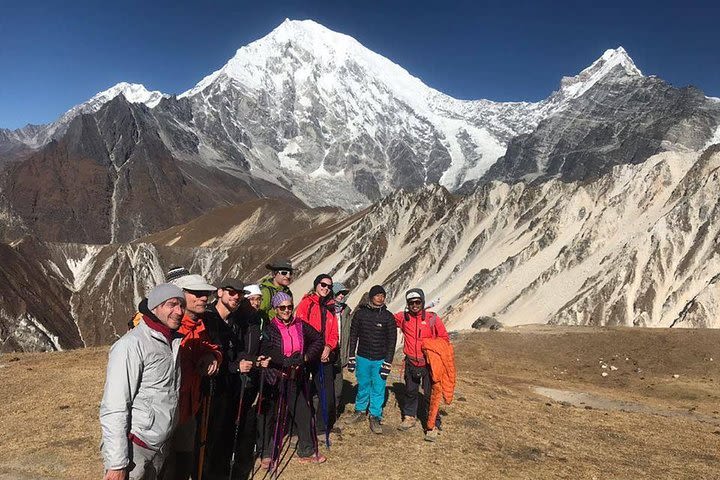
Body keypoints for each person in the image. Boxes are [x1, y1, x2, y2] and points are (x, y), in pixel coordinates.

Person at [100, 284, 185, 480]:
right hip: (135, 448)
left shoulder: (171, 342)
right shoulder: (131, 345)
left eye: (181, 305)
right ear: (155, 307)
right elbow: (114, 406)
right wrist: (117, 463)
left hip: (161, 444)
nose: (179, 311)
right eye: (172, 304)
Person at [202, 279, 266, 479]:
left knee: (223, 439)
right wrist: (236, 366)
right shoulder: (208, 320)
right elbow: (209, 362)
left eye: (239, 293)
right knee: (209, 442)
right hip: (209, 393)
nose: (236, 296)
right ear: (219, 292)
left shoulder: (234, 322)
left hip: (228, 390)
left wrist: (253, 361)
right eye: (231, 292)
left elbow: (237, 352)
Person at [163, 274, 223, 480]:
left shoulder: (199, 326)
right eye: (196, 294)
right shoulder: (168, 329)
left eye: (205, 294)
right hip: (166, 411)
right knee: (166, 467)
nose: (203, 298)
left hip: (189, 408)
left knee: (182, 466)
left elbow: (211, 348)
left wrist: (213, 357)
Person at [258, 292, 326, 468]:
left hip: (295, 377)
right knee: (271, 416)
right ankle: (266, 452)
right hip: (275, 378)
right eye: (282, 308)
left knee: (303, 413)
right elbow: (268, 349)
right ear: (275, 309)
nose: (287, 310)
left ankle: (306, 450)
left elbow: (318, 339)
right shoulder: (270, 329)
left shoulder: (300, 325)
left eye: (289, 307)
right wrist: (286, 361)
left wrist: (304, 358)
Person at [394, 288, 450, 436]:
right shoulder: (403, 318)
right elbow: (388, 320)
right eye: (411, 302)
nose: (414, 305)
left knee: (430, 394)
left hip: (429, 364)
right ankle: (409, 417)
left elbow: (444, 338)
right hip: (411, 362)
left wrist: (431, 347)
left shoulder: (433, 319)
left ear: (422, 302)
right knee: (411, 391)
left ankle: (433, 424)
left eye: (417, 302)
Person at [344, 285, 397, 434]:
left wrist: (388, 362)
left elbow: (392, 341)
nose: (380, 298)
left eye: (383, 295)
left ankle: (375, 415)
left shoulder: (388, 317)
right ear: (371, 297)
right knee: (363, 385)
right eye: (377, 295)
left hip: (380, 359)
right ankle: (360, 411)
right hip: (362, 358)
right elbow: (353, 336)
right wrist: (352, 356)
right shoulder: (360, 315)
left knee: (379, 387)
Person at [295, 274, 339, 440]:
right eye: (323, 284)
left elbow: (334, 332)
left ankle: (321, 427)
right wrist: (313, 349)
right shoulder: (306, 303)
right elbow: (300, 327)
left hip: (324, 354)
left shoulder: (330, 308)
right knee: (303, 389)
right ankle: (300, 426)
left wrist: (329, 346)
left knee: (326, 392)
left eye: (329, 286)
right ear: (316, 284)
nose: (326, 288)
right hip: (308, 353)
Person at [332, 282, 352, 414]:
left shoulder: (346, 311)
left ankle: (333, 413)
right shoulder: (326, 309)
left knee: (337, 388)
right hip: (327, 352)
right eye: (339, 293)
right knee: (323, 386)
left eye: (343, 294)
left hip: (340, 353)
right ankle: (319, 414)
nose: (341, 296)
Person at [258, 259, 294, 329]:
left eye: (290, 273)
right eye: (284, 273)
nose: (288, 276)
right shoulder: (266, 292)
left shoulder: (287, 291)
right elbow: (258, 314)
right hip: (271, 333)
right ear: (274, 274)